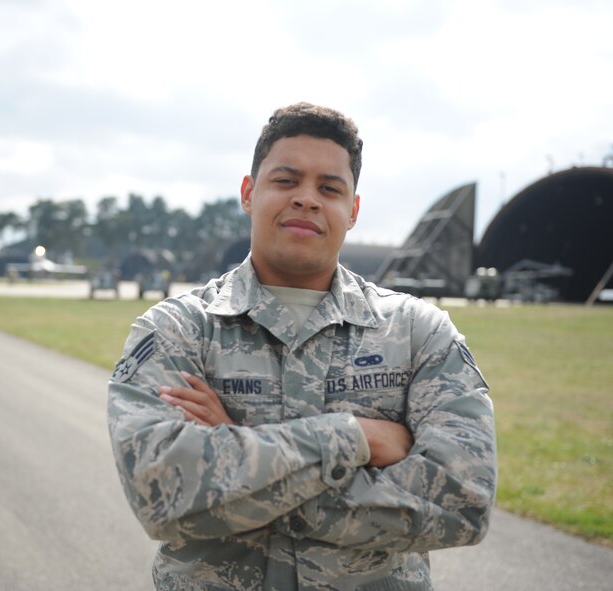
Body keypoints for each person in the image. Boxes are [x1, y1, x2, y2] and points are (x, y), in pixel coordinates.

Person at [107, 102, 497, 590]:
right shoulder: (177, 330)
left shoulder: (418, 333)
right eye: (286, 181)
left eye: (329, 188)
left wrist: (236, 452)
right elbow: (163, 497)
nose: (307, 200)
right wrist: (357, 438)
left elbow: (463, 503)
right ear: (249, 193)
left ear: (352, 210)